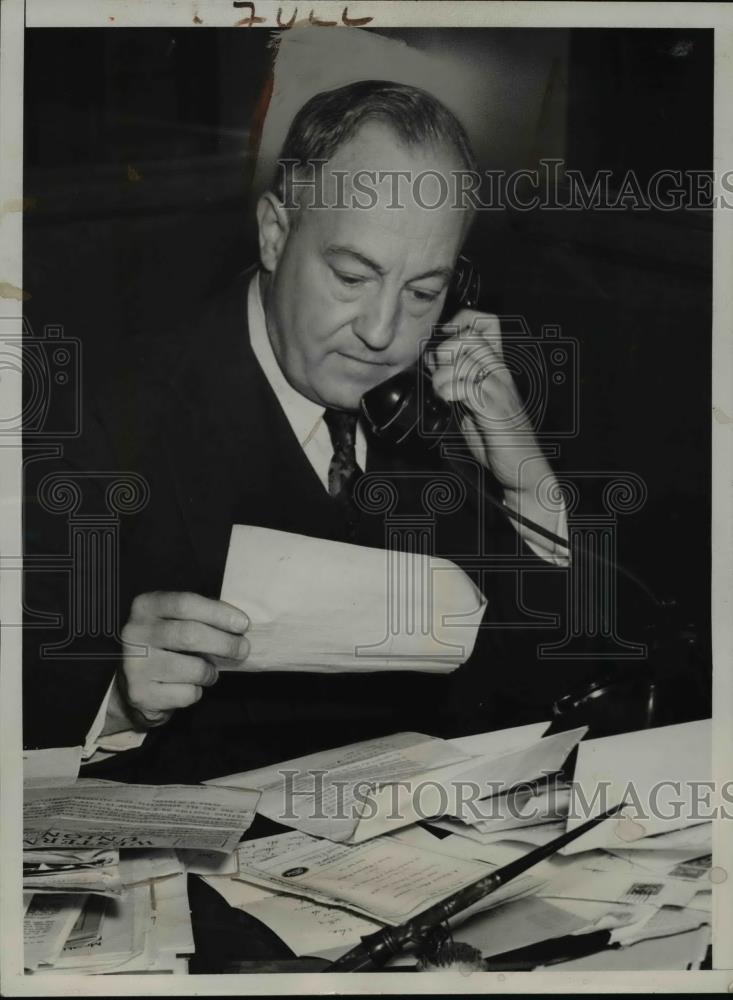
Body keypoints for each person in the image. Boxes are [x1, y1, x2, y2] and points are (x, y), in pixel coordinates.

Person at [24, 81, 574, 782]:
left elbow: (562, 685)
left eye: (422, 292)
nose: (382, 335)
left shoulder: (439, 415)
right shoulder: (93, 415)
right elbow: (27, 696)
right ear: (276, 234)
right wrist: (120, 701)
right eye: (351, 276)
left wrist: (520, 468)